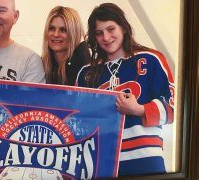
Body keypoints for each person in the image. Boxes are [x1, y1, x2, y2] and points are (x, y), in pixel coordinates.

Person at [76, 3, 175, 176]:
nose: (106, 37)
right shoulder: (86, 73)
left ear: (123, 27)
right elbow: (78, 122)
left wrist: (139, 109)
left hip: (146, 161)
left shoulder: (151, 59)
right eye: (99, 33)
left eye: (111, 29)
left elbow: (174, 109)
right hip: (101, 163)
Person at [41, 6, 90, 86]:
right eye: (51, 28)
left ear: (74, 33)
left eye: (63, 30)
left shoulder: (84, 64)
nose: (56, 34)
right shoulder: (41, 64)